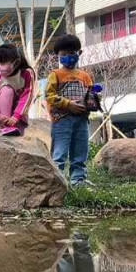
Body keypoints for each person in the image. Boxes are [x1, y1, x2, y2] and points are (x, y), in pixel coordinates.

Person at [47, 34, 93, 187]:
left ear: (78, 53)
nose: (67, 57)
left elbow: (91, 94)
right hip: (61, 120)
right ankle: (57, 182)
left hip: (81, 119)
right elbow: (49, 96)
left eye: (71, 53)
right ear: (58, 56)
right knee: (59, 153)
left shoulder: (85, 76)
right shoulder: (55, 75)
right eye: (63, 55)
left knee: (80, 151)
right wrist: (68, 104)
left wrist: (90, 103)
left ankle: (78, 180)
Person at [0, 44, 35, 136]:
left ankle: (15, 126)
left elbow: (27, 96)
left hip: (19, 117)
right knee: (7, 90)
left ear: (16, 62)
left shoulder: (27, 73)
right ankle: (5, 127)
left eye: (3, 63)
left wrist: (16, 116)